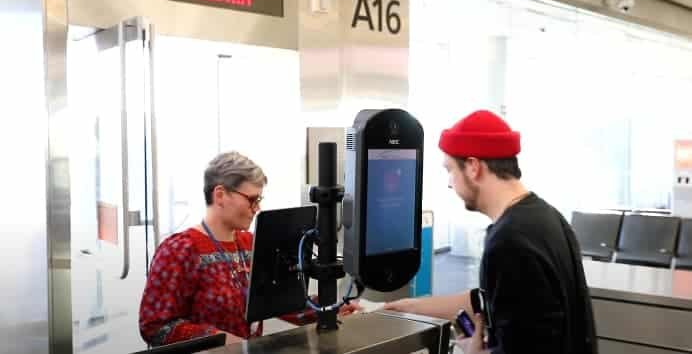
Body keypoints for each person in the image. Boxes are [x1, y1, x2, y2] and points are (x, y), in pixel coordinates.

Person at [384, 110, 597, 354]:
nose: (449, 182)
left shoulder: (510, 242)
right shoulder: (546, 217)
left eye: (450, 170)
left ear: (473, 167)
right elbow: (488, 299)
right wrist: (407, 306)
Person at [139, 151, 359, 346]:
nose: (257, 208)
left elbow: (275, 301)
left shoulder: (251, 243)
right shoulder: (180, 250)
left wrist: (328, 307)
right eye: (251, 200)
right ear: (220, 195)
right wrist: (218, 339)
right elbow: (155, 326)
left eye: (259, 199)